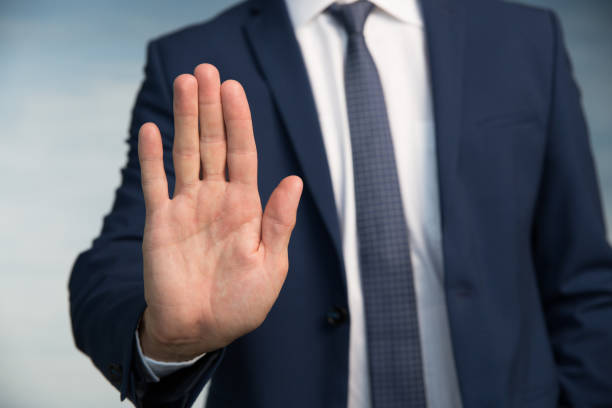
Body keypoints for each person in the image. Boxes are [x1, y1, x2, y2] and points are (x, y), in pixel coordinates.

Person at [69, 0, 612, 406]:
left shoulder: (525, 38)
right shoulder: (192, 59)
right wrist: (168, 336)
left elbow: (582, 281)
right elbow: (115, 265)